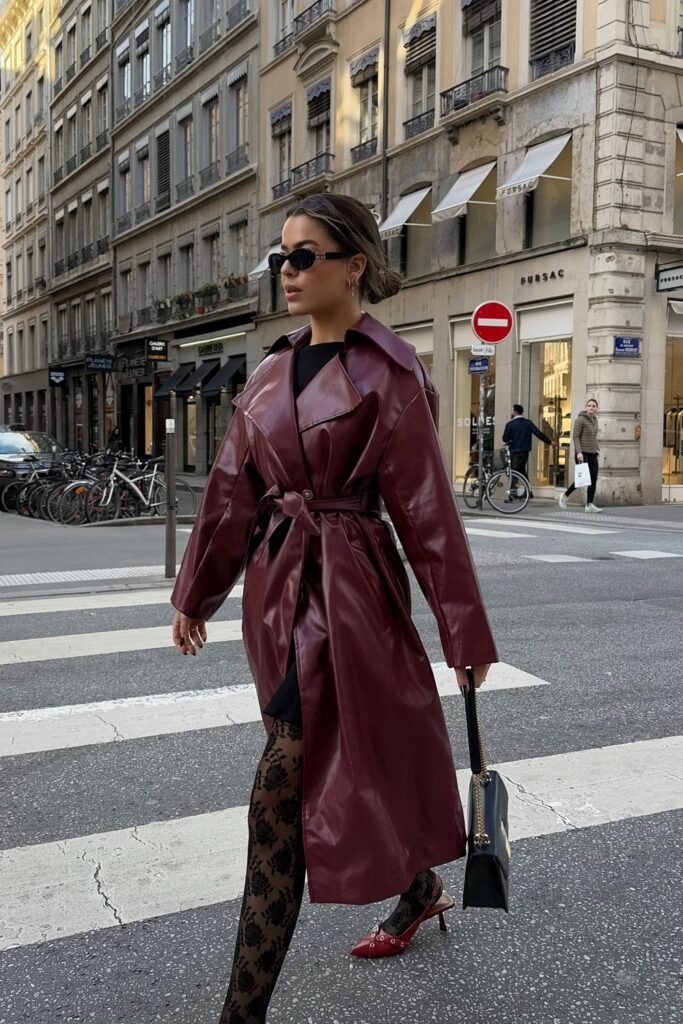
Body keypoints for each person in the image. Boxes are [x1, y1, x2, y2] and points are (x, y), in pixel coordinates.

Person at [170, 193, 498, 1024]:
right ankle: (419, 886)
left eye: (305, 255)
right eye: (280, 257)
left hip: (349, 597)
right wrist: (196, 592)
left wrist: (462, 627)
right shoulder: (271, 370)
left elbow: (426, 510)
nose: (286, 271)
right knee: (325, 761)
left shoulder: (389, 373)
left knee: (278, 794)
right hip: (279, 598)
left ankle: (240, 1015)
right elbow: (227, 495)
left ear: (353, 265)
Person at [559, 398, 601, 512]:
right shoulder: (580, 420)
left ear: (597, 408)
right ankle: (565, 495)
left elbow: (593, 436)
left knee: (593, 478)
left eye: (593, 406)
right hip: (582, 453)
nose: (591, 407)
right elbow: (576, 437)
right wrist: (579, 452)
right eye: (589, 405)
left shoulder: (595, 420)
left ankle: (589, 504)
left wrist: (597, 448)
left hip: (593, 453)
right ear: (586, 407)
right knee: (582, 479)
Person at [502, 404, 552, 496]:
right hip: (525, 452)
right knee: (521, 470)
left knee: (514, 472)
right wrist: (549, 442)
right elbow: (538, 433)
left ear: (514, 411)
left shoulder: (510, 424)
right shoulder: (528, 423)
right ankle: (528, 491)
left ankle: (511, 494)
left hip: (514, 451)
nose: (511, 412)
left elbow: (505, 438)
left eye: (512, 411)